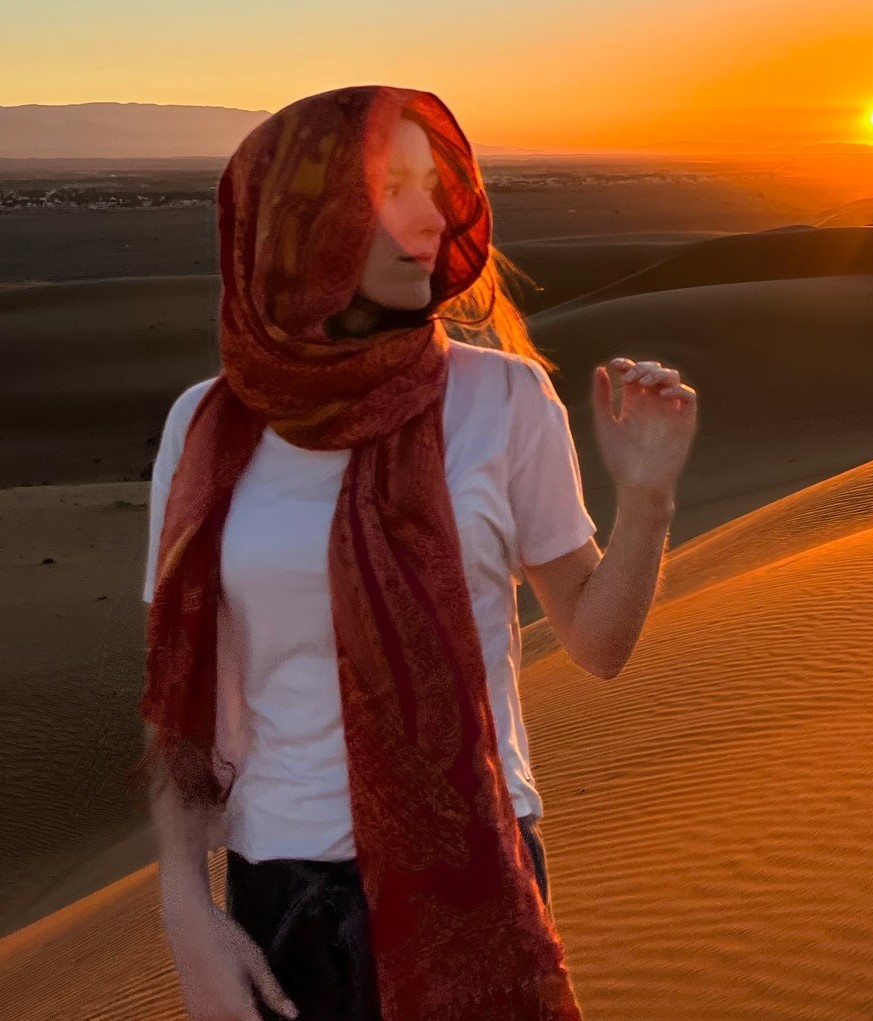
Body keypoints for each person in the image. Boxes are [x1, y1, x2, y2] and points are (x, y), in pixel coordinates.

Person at [128, 85, 697, 1021]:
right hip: (282, 895)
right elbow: (182, 699)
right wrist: (184, 907)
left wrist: (647, 494)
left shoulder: (504, 400)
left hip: (471, 874)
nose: (433, 216)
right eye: (392, 186)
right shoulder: (206, 424)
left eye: (435, 186)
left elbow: (597, 643)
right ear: (301, 217)